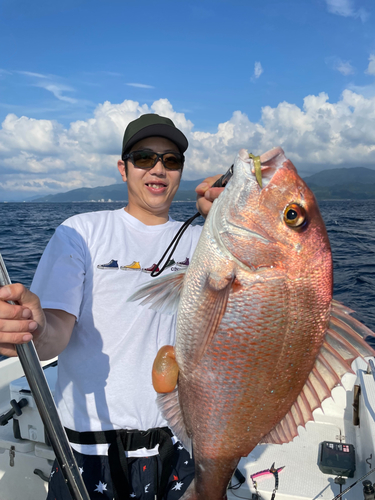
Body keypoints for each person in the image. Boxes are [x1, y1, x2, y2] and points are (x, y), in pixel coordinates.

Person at [0, 113, 224, 500]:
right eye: (144, 158)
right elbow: (55, 333)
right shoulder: (83, 232)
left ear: (181, 172)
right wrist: (32, 328)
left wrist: (229, 215)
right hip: (90, 449)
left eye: (171, 161)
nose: (158, 168)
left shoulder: (205, 243)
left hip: (179, 441)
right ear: (123, 168)